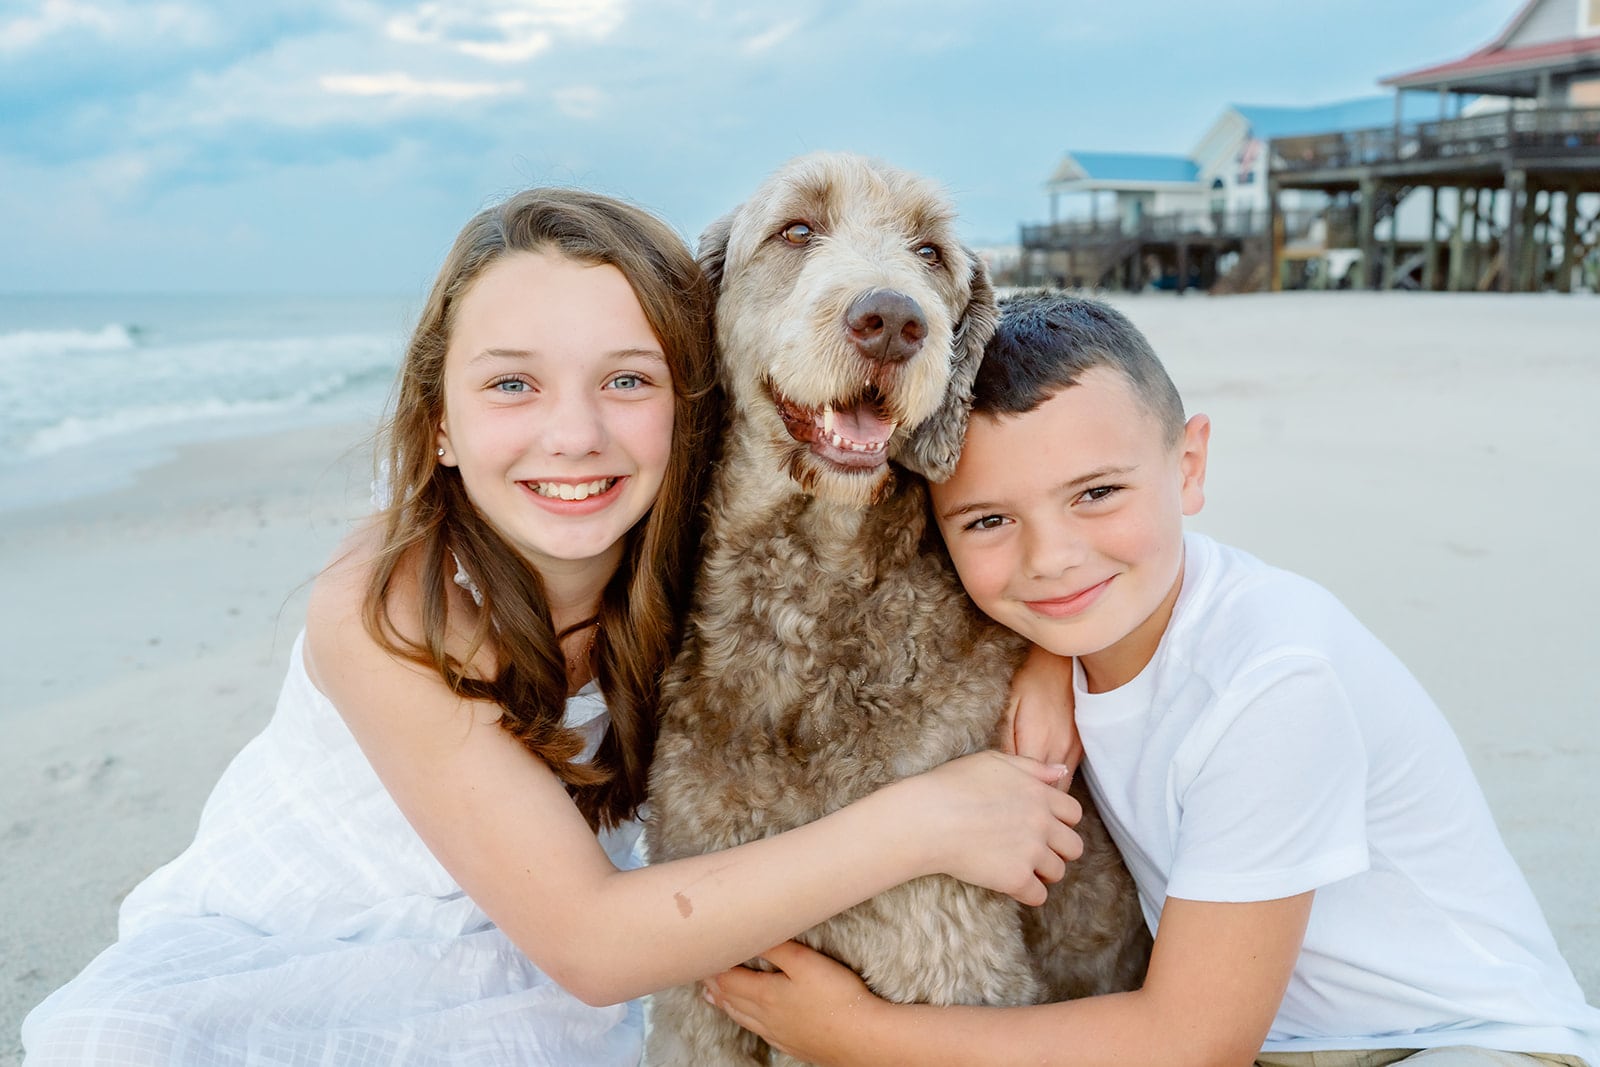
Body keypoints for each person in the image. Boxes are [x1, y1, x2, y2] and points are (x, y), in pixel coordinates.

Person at [20, 191, 1087, 1066]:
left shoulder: (691, 552)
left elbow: (1029, 541)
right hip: (316, 946)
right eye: (512, 384)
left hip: (533, 958)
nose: (572, 436)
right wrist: (926, 820)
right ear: (439, 418)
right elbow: (588, 941)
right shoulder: (391, 602)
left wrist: (1044, 657)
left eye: (627, 380)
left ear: (694, 394)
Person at [701, 292, 1600, 1067]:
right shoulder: (1070, 628)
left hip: (1463, 1037)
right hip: (1276, 1042)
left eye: (1097, 494)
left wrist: (860, 1033)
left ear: (1190, 464)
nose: (1051, 559)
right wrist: (1050, 658)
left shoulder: (1275, 677)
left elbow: (1187, 1042)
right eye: (987, 520)